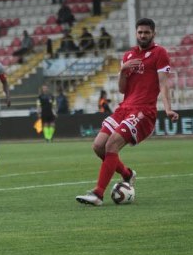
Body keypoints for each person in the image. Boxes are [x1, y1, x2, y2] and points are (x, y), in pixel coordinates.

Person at [76, 18, 179, 206]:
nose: (143, 35)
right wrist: (122, 71)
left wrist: (168, 109)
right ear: (136, 33)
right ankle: (127, 174)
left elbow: (164, 83)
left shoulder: (159, 53)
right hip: (124, 108)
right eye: (140, 32)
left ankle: (98, 194)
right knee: (98, 146)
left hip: (143, 111)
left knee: (111, 145)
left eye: (146, 32)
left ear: (153, 34)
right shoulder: (129, 55)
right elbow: (123, 89)